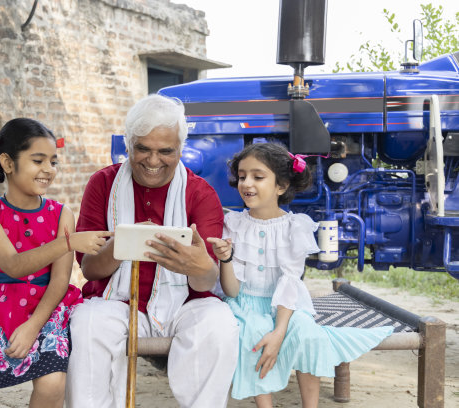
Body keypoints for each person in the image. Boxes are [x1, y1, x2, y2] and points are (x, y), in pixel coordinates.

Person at [65, 94, 239, 408]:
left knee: (220, 321)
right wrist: (121, 245)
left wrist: (199, 267)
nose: (153, 160)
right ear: (128, 145)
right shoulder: (103, 184)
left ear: (181, 149)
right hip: (117, 300)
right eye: (143, 148)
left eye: (165, 151)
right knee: (88, 322)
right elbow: (90, 270)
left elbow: (206, 282)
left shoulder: (200, 193)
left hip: (186, 303)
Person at [0, 118, 111, 407]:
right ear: (8, 163)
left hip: (46, 307)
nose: (48, 170)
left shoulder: (62, 214)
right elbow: (13, 265)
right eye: (38, 160)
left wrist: (33, 326)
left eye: (53, 161)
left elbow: (61, 280)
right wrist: (68, 243)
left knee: (53, 384)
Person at [206, 142, 394, 408]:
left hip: (287, 307)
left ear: (281, 186)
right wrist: (225, 258)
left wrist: (281, 331)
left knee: (308, 335)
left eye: (258, 177)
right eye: (242, 176)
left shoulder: (296, 227)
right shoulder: (233, 224)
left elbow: (290, 283)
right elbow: (233, 291)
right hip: (245, 305)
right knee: (254, 335)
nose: (246, 183)